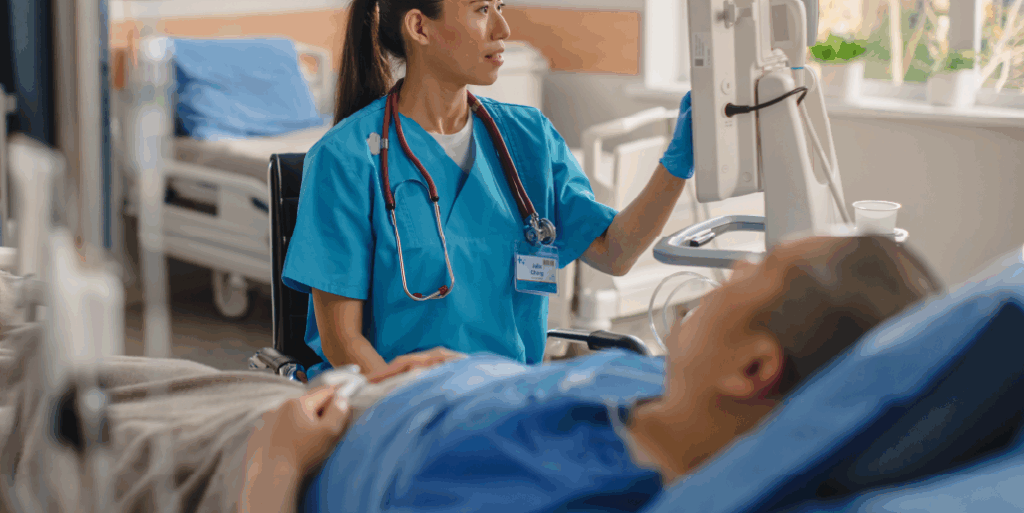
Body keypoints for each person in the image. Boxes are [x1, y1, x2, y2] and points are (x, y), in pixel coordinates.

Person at [242, 235, 944, 513]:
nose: (734, 268)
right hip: (372, 396)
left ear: (755, 368)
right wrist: (474, 374)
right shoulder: (668, 393)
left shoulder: (567, 495)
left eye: (759, 269)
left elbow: (610, 241)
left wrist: (274, 467)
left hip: (280, 450)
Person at [281, 0, 696, 380]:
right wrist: (415, 410)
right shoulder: (346, 159)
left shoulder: (528, 138)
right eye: (482, 10)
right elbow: (344, 344)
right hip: (395, 405)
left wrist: (678, 162)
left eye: (500, 7)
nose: (503, 29)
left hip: (507, 398)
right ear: (420, 26)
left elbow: (615, 252)